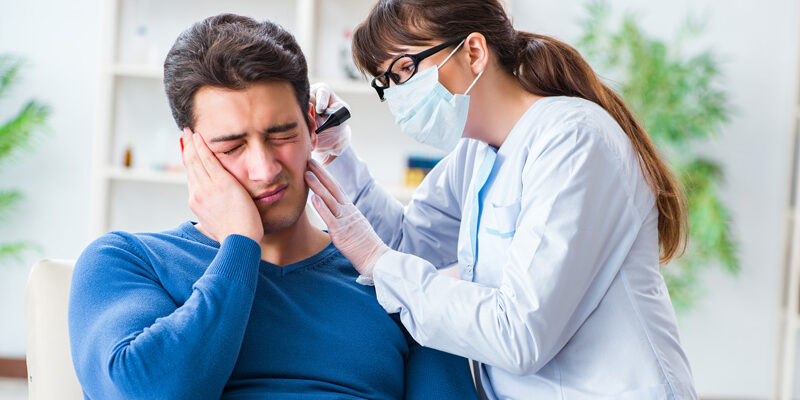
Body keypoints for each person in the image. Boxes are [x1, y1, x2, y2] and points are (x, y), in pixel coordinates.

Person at [68, 13, 478, 400]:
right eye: (231, 147)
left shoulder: (396, 281)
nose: (264, 169)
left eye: (281, 136)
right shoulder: (126, 261)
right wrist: (240, 245)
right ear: (190, 153)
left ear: (313, 131)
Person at [304, 0, 699, 398]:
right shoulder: (475, 153)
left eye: (405, 70)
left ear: (474, 52)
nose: (397, 95)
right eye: (385, 83)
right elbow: (409, 248)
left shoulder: (574, 139)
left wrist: (377, 260)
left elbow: (521, 334)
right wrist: (336, 155)